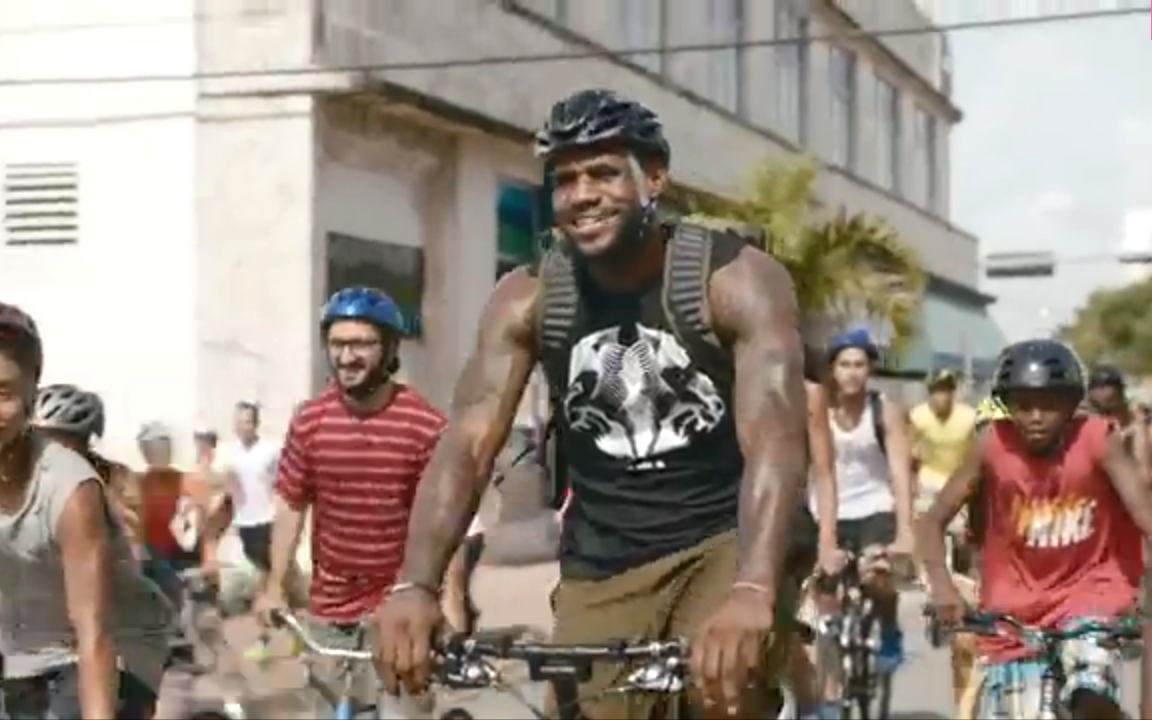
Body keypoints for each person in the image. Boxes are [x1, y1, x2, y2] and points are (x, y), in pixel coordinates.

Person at [374, 89, 810, 718]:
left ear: (653, 178)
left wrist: (753, 587)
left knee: (722, 691)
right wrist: (416, 584)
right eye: (565, 179)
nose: (582, 195)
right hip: (603, 561)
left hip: (725, 539)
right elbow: (468, 442)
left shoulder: (735, 280)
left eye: (604, 173)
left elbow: (775, 439)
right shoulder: (527, 298)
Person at [918, 339, 1152, 719]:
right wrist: (943, 589)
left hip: (1091, 597)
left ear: (1071, 405)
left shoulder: (1097, 438)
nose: (1036, 417)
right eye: (1023, 406)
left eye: (1050, 405)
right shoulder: (991, 445)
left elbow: (1145, 513)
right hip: (1014, 612)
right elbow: (932, 521)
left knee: (1089, 693)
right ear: (1007, 406)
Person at [255, 287, 446, 713]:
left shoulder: (424, 424)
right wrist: (274, 586)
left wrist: (446, 599)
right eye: (337, 344)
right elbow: (290, 503)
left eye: (361, 344)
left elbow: (443, 519)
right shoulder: (311, 420)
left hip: (398, 606)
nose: (346, 357)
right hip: (329, 609)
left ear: (390, 349)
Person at [0, 303, 173, 718]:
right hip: (27, 645)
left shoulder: (71, 489)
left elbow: (95, 631)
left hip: (113, 643)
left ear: (31, 393)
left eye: (3, 393)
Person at [819, 330, 915, 696]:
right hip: (829, 511)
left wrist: (905, 530)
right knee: (825, 594)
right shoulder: (818, 411)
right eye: (845, 364)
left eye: (860, 364)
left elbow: (900, 472)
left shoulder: (884, 410)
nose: (852, 372)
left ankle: (889, 629)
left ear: (869, 369)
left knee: (876, 576)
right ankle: (829, 691)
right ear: (832, 369)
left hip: (875, 507)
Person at [30, 384, 142, 554]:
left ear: (86, 440)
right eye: (43, 438)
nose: (53, 447)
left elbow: (131, 540)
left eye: (65, 439)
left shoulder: (114, 475)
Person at [217, 401, 281, 659]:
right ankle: (294, 637)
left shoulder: (270, 450)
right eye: (238, 422)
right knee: (272, 585)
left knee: (264, 585)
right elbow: (229, 490)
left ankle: (263, 642)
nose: (242, 427)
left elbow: (284, 482)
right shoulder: (230, 453)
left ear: (256, 424)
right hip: (245, 526)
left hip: (267, 523)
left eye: (246, 421)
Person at [136, 422, 202, 609]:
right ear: (145, 452)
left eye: (164, 447)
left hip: (180, 552)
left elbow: (194, 520)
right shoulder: (138, 485)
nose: (161, 452)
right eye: (155, 448)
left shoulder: (183, 480)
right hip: (153, 556)